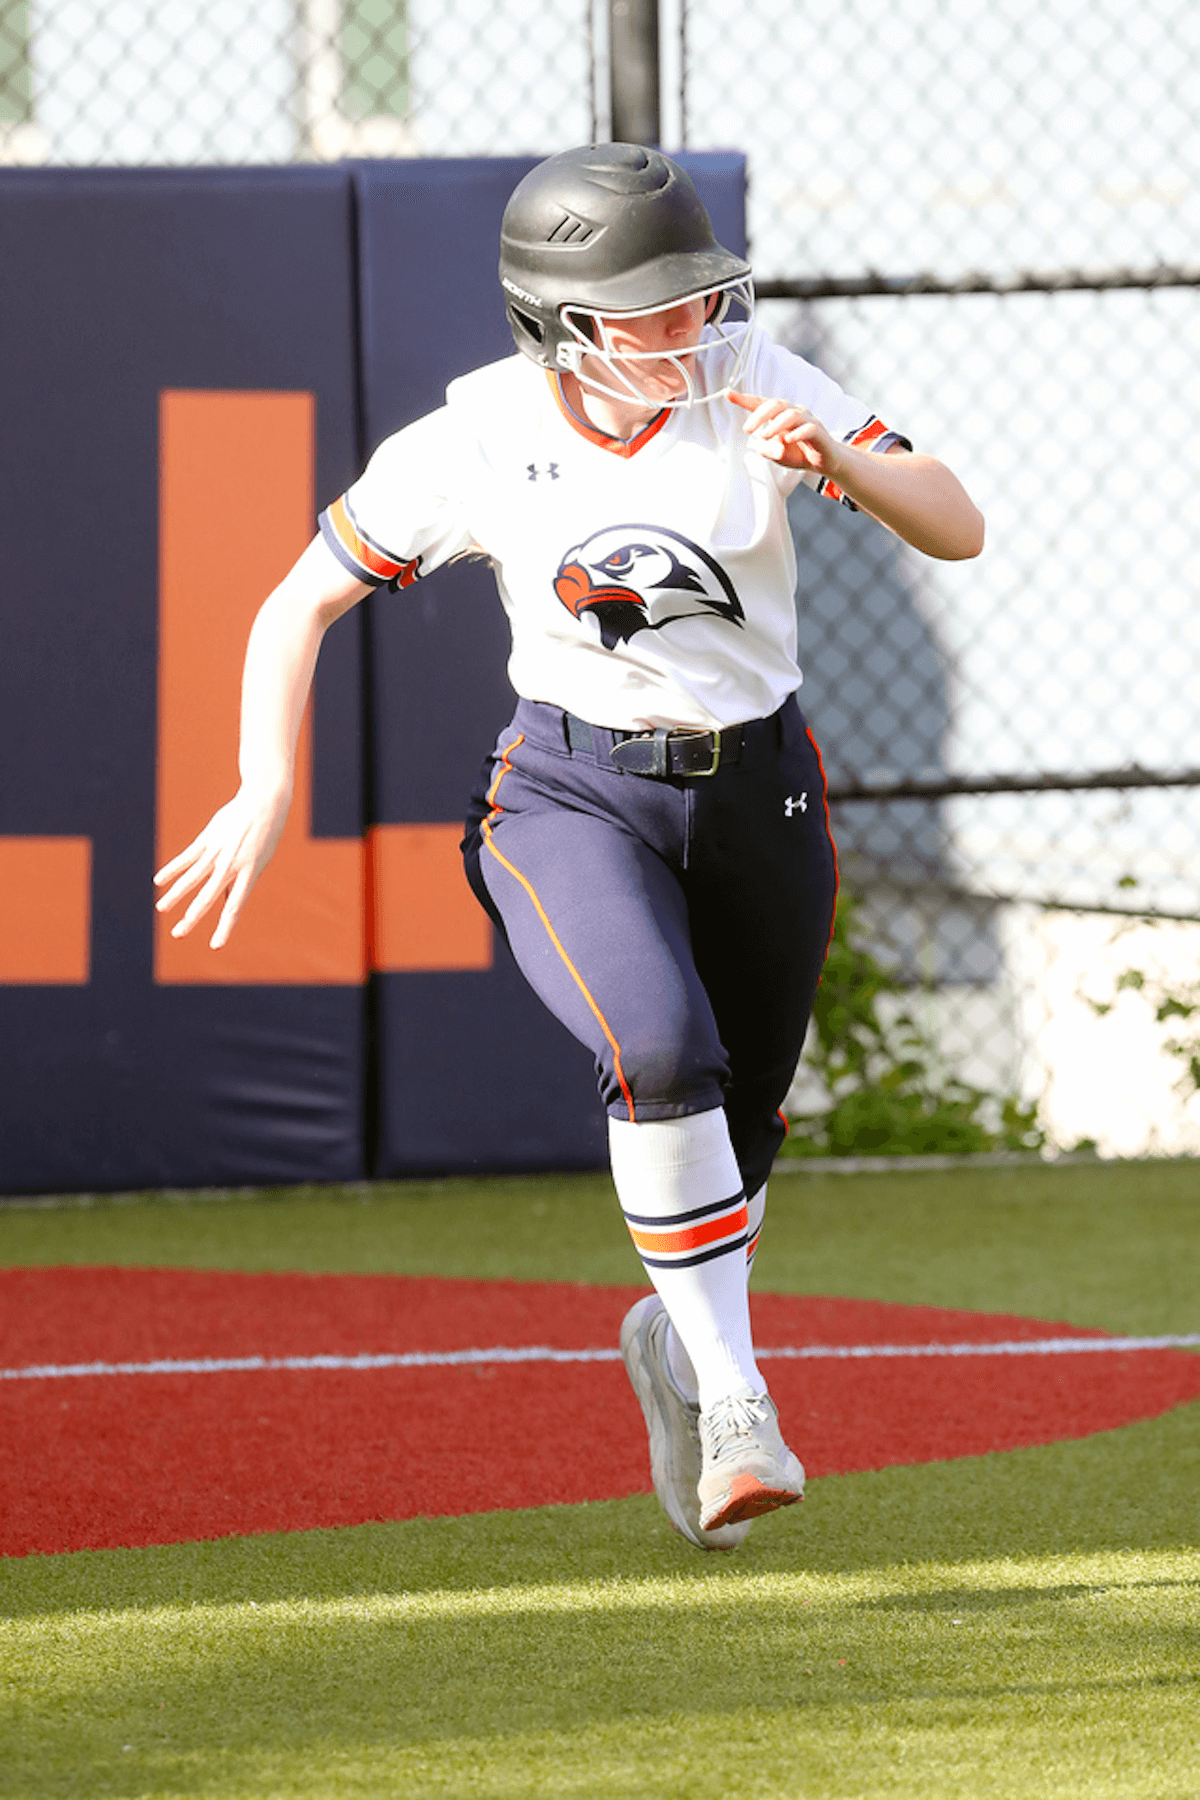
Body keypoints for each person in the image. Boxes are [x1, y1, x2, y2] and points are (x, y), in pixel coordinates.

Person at [155, 144, 983, 1551]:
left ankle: (672, 1343)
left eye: (698, 298)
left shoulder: (765, 382)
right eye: (644, 310)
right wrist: (262, 785)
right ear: (554, 320)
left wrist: (838, 456)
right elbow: (293, 604)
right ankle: (734, 1397)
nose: (686, 331)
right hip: (572, 792)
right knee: (659, 1051)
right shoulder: (477, 433)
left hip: (762, 792)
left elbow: (956, 526)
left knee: (745, 1120)